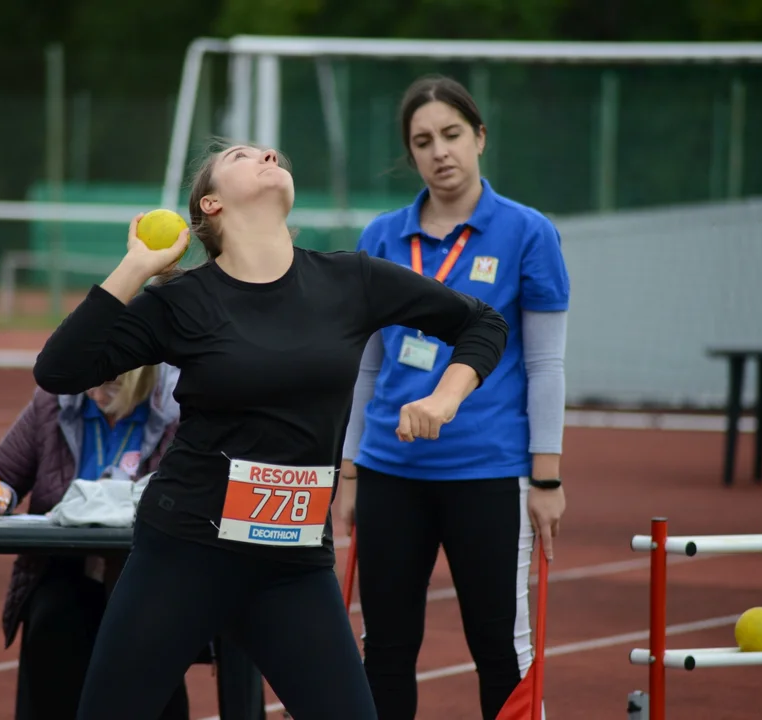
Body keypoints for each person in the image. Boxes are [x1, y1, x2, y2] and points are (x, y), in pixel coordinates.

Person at [31, 139, 510, 720]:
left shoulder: (350, 280)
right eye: (241, 156)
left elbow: (482, 322)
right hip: (185, 555)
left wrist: (445, 395)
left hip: (293, 564)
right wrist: (137, 265)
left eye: (270, 154)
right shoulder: (182, 301)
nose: (268, 156)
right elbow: (60, 369)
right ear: (210, 205)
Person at [335, 74, 571, 720]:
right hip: (388, 471)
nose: (439, 152)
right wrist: (350, 470)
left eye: (451, 135)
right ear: (408, 154)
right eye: (422, 141)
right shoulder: (381, 238)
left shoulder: (528, 233)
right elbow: (365, 368)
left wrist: (546, 479)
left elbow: (547, 363)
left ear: (480, 138)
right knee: (384, 647)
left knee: (498, 647)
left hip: (489, 473)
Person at [0, 356, 266, 720]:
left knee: (147, 626)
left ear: (143, 381)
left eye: (111, 386)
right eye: (91, 382)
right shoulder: (55, 402)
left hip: (150, 572)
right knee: (54, 615)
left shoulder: (182, 413)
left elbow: (208, 494)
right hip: (63, 570)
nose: (95, 394)